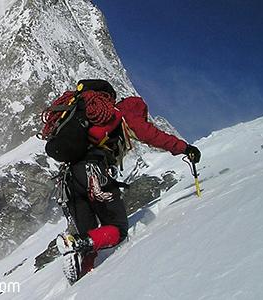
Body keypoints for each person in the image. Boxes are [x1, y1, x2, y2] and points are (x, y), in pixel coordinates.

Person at [44, 79, 201, 283]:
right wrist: (185, 148)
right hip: (93, 173)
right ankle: (75, 245)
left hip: (68, 181)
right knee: (117, 229)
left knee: (91, 237)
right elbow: (152, 135)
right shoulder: (122, 112)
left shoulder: (82, 117)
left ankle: (82, 281)